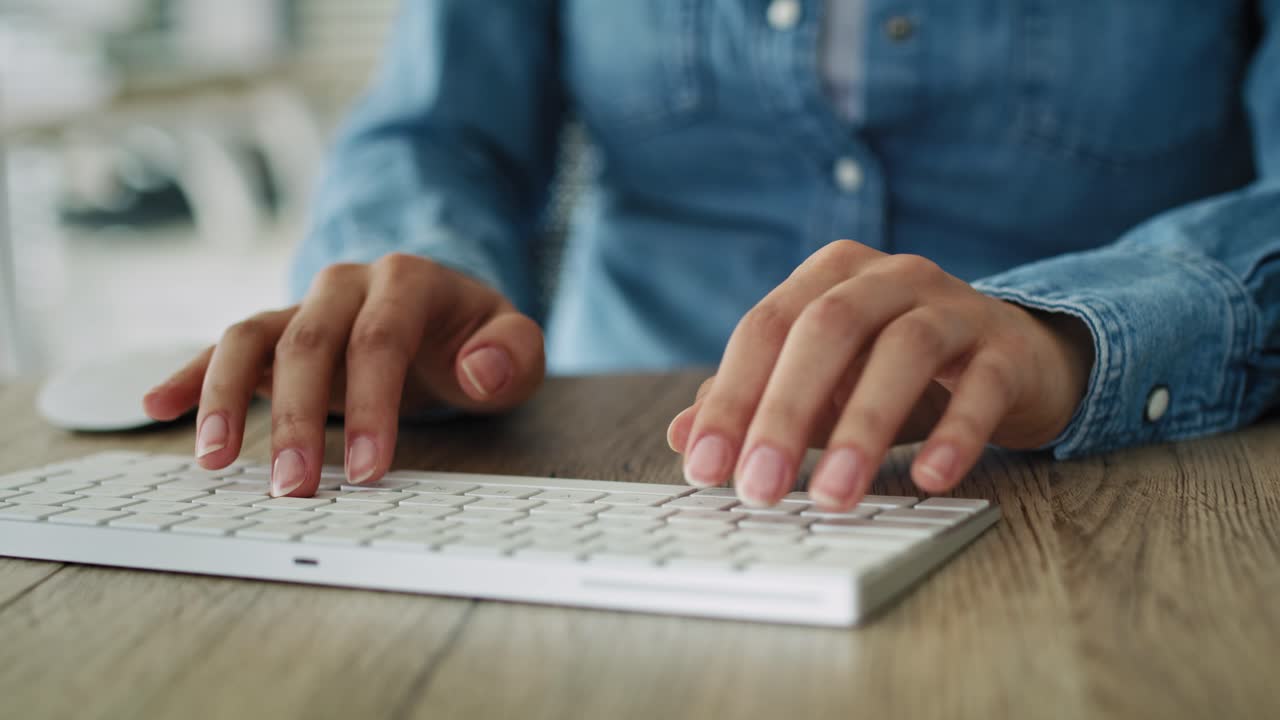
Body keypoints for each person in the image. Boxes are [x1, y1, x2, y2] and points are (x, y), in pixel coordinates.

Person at [144, 1, 1280, 511]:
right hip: (594, 466)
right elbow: (436, 133)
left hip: (1112, 477)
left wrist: (1075, 330)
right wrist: (422, 273)